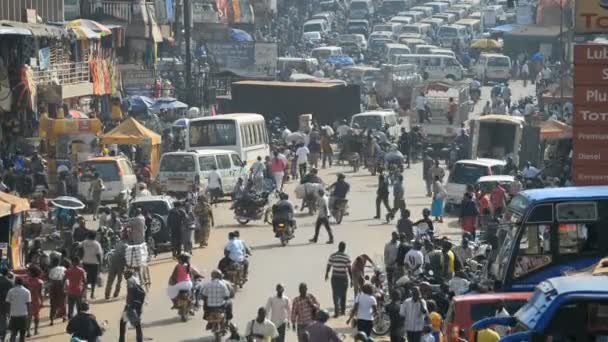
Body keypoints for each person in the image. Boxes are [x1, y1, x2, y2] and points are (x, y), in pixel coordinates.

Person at [326, 242, 352, 317]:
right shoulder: (346, 257)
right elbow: (349, 269)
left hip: (335, 278)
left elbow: (329, 265)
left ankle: (336, 311)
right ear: (344, 248)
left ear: (338, 247)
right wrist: (351, 280)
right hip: (343, 278)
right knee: (343, 295)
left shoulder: (333, 256)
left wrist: (327, 274)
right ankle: (343, 311)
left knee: (335, 294)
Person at [119, 270, 145, 342]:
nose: (124, 276)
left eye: (125, 275)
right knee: (137, 323)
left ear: (128, 274)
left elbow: (130, 292)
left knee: (123, 322)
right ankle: (139, 339)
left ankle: (121, 340)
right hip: (138, 303)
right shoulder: (135, 279)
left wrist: (129, 305)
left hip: (131, 305)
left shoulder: (130, 281)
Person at [6, 277, 30, 342]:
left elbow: (8, 303)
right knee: (22, 334)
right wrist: (29, 314)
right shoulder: (27, 291)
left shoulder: (10, 291)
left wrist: (8, 313)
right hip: (23, 315)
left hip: (13, 315)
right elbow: (28, 304)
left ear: (15, 282)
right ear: (22, 283)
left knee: (13, 334)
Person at [81, 231, 102, 299]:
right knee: (93, 280)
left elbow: (80, 251)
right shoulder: (96, 244)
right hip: (94, 264)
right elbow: (98, 254)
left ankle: (84, 295)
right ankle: (92, 294)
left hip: (85, 263)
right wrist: (100, 263)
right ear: (95, 236)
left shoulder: (84, 242)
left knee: (85, 279)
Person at [23, 265, 43, 336]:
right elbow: (40, 293)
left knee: (29, 317)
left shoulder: (25, 281)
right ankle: (35, 330)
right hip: (36, 300)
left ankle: (28, 331)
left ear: (31, 272)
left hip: (28, 301)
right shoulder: (40, 282)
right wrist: (42, 302)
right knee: (36, 316)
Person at [48, 257, 67, 325]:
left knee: (53, 303)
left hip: (54, 285)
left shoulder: (51, 270)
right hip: (61, 285)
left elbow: (50, 280)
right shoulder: (64, 268)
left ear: (53, 263)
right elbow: (66, 277)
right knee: (62, 302)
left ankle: (52, 320)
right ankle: (64, 317)